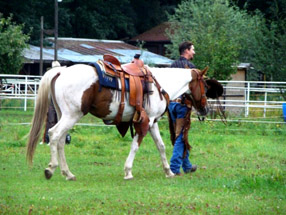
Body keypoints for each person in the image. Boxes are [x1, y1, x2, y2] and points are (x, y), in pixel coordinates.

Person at [168, 41, 197, 176]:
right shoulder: (190, 68)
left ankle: (187, 166)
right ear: (186, 50)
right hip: (182, 105)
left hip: (171, 104)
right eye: (192, 50)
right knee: (181, 136)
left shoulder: (172, 66)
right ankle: (174, 168)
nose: (194, 52)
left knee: (180, 134)